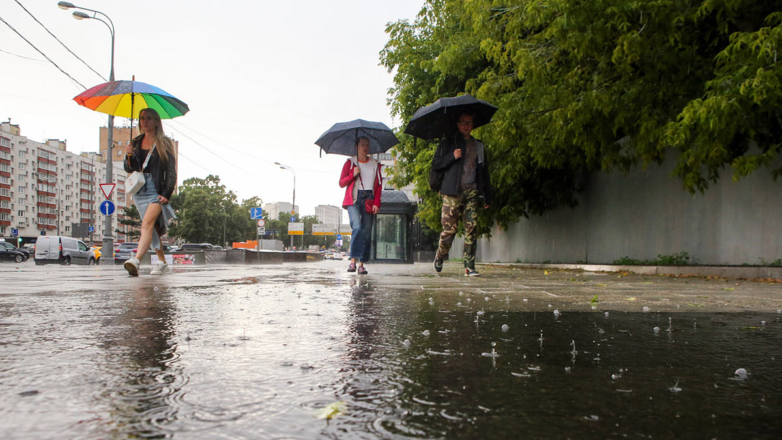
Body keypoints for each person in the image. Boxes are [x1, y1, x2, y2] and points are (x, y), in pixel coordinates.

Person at [431, 113, 493, 276]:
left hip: (471, 191)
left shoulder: (478, 146)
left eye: (469, 123)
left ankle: (469, 265)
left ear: (473, 125)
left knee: (472, 227)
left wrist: (487, 194)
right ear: (458, 124)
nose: (466, 126)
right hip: (452, 192)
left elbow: (484, 172)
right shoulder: (448, 144)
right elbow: (436, 164)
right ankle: (440, 255)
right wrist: (452, 156)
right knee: (449, 231)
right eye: (463, 123)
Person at [122, 108, 177, 276]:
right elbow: (129, 168)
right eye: (142, 118)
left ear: (156, 121)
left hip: (156, 190)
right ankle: (161, 262)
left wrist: (167, 194)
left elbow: (171, 171)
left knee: (146, 224)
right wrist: (128, 156)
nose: (145, 121)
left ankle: (136, 260)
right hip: (139, 190)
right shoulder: (136, 142)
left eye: (149, 118)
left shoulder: (164, 143)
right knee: (150, 228)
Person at [339, 136, 383, 274]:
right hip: (353, 199)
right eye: (362, 144)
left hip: (369, 198)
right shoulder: (350, 163)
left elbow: (379, 186)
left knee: (366, 233)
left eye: (367, 144)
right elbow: (341, 183)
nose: (365, 147)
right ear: (357, 146)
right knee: (356, 227)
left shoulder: (375, 164)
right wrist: (353, 173)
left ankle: (361, 264)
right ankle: (353, 262)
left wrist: (377, 203)